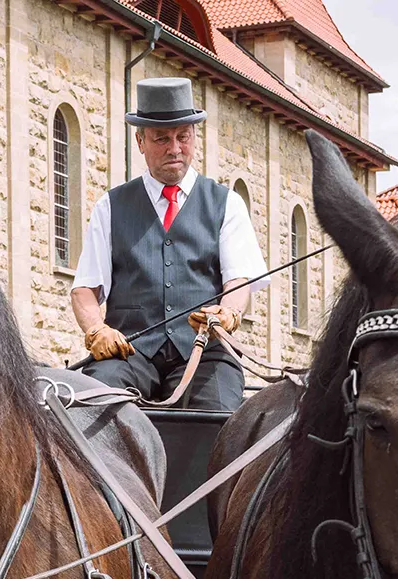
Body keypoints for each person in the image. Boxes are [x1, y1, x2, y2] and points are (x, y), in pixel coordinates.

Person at [70, 77, 268, 411]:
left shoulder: (227, 204)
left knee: (217, 415)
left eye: (183, 137)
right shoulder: (111, 206)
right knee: (89, 405)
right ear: (140, 141)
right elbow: (84, 290)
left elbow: (238, 280)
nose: (174, 148)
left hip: (204, 353)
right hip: (130, 354)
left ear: (194, 137)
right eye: (161, 138)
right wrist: (96, 330)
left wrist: (229, 314)